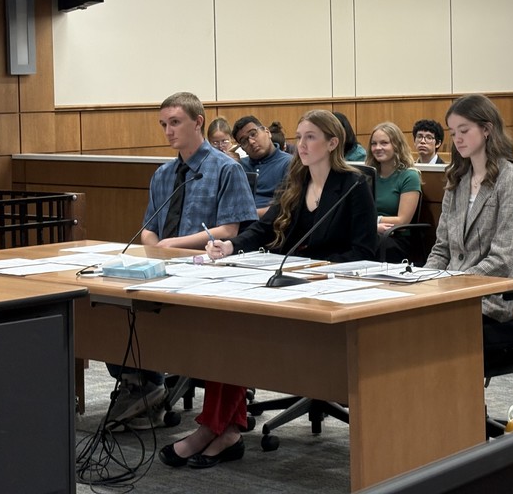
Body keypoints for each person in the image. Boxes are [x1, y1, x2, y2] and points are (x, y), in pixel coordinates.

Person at [161, 110, 376, 470]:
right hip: (286, 284)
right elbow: (264, 228)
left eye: (310, 137)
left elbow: (365, 252)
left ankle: (215, 428)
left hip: (330, 294)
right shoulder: (297, 179)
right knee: (229, 325)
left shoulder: (353, 186)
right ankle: (224, 428)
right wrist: (231, 247)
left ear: (332, 143)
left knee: (239, 332)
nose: (300, 145)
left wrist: (317, 270)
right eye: (300, 136)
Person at [109, 92, 256, 429]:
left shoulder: (226, 169)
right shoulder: (162, 173)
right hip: (164, 264)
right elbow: (149, 227)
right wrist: (154, 247)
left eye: (175, 122)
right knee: (114, 302)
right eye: (163, 125)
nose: (168, 131)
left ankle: (153, 384)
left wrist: (173, 245)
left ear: (198, 122)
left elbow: (230, 228)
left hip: (206, 267)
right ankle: (140, 381)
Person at [423, 94, 513, 328]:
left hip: (486, 299)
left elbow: (502, 258)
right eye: (453, 133)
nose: (457, 139)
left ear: (486, 129)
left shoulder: (512, 181)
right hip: (449, 292)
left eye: (464, 130)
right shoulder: (457, 180)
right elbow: (441, 250)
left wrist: (459, 283)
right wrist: (422, 282)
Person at [367, 121, 422, 261]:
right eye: (374, 144)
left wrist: (374, 222)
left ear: (396, 145)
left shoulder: (409, 176)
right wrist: (373, 226)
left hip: (395, 239)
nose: (378, 148)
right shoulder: (367, 176)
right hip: (370, 233)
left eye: (384, 143)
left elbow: (402, 221)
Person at [232, 115, 291, 217]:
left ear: (267, 132)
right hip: (239, 225)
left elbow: (286, 207)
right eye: (244, 141)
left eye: (253, 134)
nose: (251, 142)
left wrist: (248, 214)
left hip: (271, 225)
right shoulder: (240, 166)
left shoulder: (289, 163)